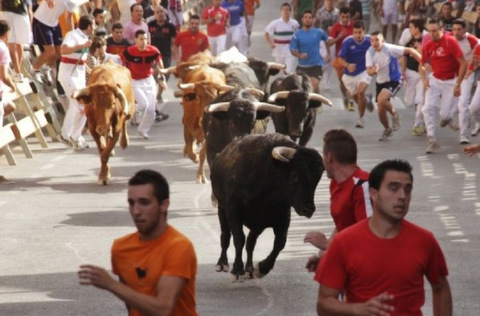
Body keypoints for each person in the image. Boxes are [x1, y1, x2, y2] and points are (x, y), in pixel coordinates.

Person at [315, 159, 452, 315]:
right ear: (373, 193)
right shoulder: (343, 243)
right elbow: (324, 304)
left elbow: (441, 289)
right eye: (393, 188)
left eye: (407, 189)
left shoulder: (425, 240)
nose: (402, 196)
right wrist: (356, 309)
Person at [78, 169, 198, 316]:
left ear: (164, 205)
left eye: (144, 202)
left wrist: (111, 284)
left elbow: (163, 309)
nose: (136, 211)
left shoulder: (179, 247)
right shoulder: (120, 248)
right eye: (131, 203)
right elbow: (131, 304)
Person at [304, 129, 371, 273]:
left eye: (323, 155)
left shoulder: (363, 186)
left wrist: (328, 246)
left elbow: (370, 238)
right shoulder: (335, 184)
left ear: (329, 157)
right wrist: (323, 255)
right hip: (350, 266)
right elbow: (344, 226)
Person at [420, 18, 467, 154]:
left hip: (451, 81)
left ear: (441, 30)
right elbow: (422, 65)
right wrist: (423, 78)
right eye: (429, 31)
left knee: (445, 114)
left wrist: (458, 83)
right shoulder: (428, 45)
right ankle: (431, 139)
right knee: (427, 108)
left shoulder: (450, 41)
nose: (432, 34)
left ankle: (447, 118)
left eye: (435, 31)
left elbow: (463, 63)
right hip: (435, 79)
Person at [366, 31, 421, 141]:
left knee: (382, 100)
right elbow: (369, 71)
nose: (375, 43)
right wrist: (374, 71)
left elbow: (410, 50)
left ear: (383, 40)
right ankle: (387, 129)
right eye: (372, 40)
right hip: (380, 82)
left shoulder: (389, 49)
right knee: (380, 110)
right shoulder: (369, 52)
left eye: (377, 40)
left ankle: (395, 114)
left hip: (394, 80)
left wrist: (423, 60)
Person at [57, 15, 93, 151]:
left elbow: (82, 61)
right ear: (89, 26)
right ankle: (65, 135)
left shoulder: (85, 39)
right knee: (78, 103)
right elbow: (63, 50)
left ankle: (76, 136)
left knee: (84, 105)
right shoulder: (72, 35)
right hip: (68, 75)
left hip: (79, 76)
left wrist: (91, 71)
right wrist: (82, 46)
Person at [122, 30, 165, 139]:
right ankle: (130, 109)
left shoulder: (153, 50)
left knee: (151, 111)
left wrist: (162, 78)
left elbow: (160, 64)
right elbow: (120, 60)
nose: (144, 41)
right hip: (135, 81)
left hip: (148, 80)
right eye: (141, 39)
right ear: (135, 40)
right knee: (143, 105)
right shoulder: (130, 51)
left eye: (145, 39)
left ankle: (142, 130)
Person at [31, 0, 77, 85]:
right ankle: (34, 70)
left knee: (59, 52)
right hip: (41, 20)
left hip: (54, 24)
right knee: (50, 51)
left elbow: (68, 18)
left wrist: (73, 36)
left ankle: (46, 67)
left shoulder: (73, 1)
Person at [337, 20, 373, 128]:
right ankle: (367, 100)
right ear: (353, 32)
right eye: (355, 32)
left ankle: (361, 118)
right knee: (357, 98)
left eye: (360, 32)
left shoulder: (370, 40)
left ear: (364, 31)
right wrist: (348, 65)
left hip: (364, 72)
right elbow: (340, 59)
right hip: (349, 75)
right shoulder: (347, 42)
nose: (358, 35)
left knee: (360, 92)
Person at [451, 19, 479, 145]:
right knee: (450, 107)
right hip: (451, 75)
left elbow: (476, 56)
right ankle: (449, 119)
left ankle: (464, 135)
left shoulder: (472, 41)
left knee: (463, 104)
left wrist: (471, 70)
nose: (456, 32)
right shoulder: (449, 39)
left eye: (459, 29)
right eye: (454, 29)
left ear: (465, 30)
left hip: (467, 75)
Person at [290, 10, 329, 94]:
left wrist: (328, 53)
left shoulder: (319, 32)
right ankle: (313, 103)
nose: (308, 19)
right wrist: (299, 55)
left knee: (313, 85)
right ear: (302, 20)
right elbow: (292, 50)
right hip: (302, 66)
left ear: (313, 20)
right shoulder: (297, 35)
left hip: (316, 66)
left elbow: (328, 41)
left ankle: (316, 103)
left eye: (310, 17)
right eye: (305, 17)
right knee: (304, 89)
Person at [148, 6, 176, 122]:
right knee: (155, 77)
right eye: (157, 12)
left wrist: (175, 54)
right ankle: (154, 96)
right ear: (154, 14)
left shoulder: (170, 26)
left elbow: (174, 41)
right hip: (153, 54)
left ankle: (158, 94)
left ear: (165, 14)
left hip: (166, 54)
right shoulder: (150, 25)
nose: (160, 14)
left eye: (162, 12)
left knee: (165, 76)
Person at [400, 18, 426, 136]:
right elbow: (404, 56)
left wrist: (420, 50)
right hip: (410, 73)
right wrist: (403, 71)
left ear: (417, 28)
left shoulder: (426, 41)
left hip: (422, 74)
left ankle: (417, 124)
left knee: (420, 99)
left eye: (411, 27)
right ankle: (421, 113)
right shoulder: (409, 41)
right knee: (408, 102)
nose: (409, 29)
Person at [0, 19, 17, 185]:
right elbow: (4, 76)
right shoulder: (3, 48)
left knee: (11, 106)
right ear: (6, 33)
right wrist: (13, 85)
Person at [0, 0, 32, 82]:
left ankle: (16, 71)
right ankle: (17, 72)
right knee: (11, 43)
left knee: (19, 43)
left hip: (21, 13)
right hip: (6, 12)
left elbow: (29, 5)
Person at [329, 7, 354, 110]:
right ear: (340, 16)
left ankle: (351, 102)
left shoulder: (354, 26)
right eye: (343, 17)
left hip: (353, 59)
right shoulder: (336, 27)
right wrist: (339, 36)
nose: (345, 19)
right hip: (340, 59)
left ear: (350, 17)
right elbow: (329, 43)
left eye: (347, 17)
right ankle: (344, 96)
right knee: (342, 82)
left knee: (351, 81)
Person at [264, 2, 300, 74]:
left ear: (290, 11)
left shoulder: (295, 23)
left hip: (290, 51)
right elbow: (266, 34)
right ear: (281, 12)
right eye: (284, 10)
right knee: (280, 70)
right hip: (278, 51)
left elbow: (298, 36)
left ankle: (289, 83)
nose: (286, 12)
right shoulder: (275, 23)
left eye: (288, 10)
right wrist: (270, 44)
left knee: (289, 70)